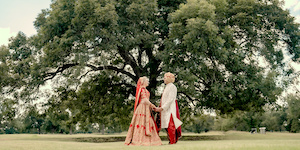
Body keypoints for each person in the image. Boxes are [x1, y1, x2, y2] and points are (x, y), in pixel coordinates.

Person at [125, 76, 162, 146]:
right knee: (141, 123)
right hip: (142, 108)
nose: (148, 82)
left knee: (148, 122)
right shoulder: (142, 90)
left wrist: (152, 107)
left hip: (146, 108)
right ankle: (139, 140)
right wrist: (154, 106)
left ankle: (150, 140)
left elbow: (146, 100)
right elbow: (144, 100)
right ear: (143, 82)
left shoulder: (145, 90)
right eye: (147, 81)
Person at [154, 72, 182, 144]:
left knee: (171, 126)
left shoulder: (172, 87)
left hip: (170, 109)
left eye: (165, 78)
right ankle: (171, 140)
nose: (164, 79)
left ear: (169, 78)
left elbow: (170, 99)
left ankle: (172, 141)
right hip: (165, 110)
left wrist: (162, 108)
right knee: (166, 125)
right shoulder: (167, 87)